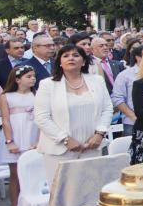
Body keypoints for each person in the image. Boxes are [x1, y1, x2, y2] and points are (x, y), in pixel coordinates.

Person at [34, 44, 114, 182]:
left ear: (83, 61)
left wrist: (99, 134)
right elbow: (42, 118)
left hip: (92, 146)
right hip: (60, 149)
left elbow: (107, 109)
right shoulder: (48, 85)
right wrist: (65, 139)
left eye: (76, 55)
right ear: (59, 62)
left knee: (91, 192)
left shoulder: (97, 81)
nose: (71, 58)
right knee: (63, 195)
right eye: (66, 56)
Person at [0, 66, 39, 206]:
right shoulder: (6, 96)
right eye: (29, 76)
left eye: (33, 76)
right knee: (15, 175)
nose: (33, 79)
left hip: (32, 134)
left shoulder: (36, 94)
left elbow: (41, 119)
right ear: (17, 79)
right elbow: (6, 120)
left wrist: (38, 140)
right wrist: (10, 141)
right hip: (15, 135)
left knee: (32, 174)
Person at [111, 44, 143, 136]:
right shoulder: (125, 75)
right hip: (132, 122)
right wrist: (133, 117)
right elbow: (118, 99)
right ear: (137, 58)